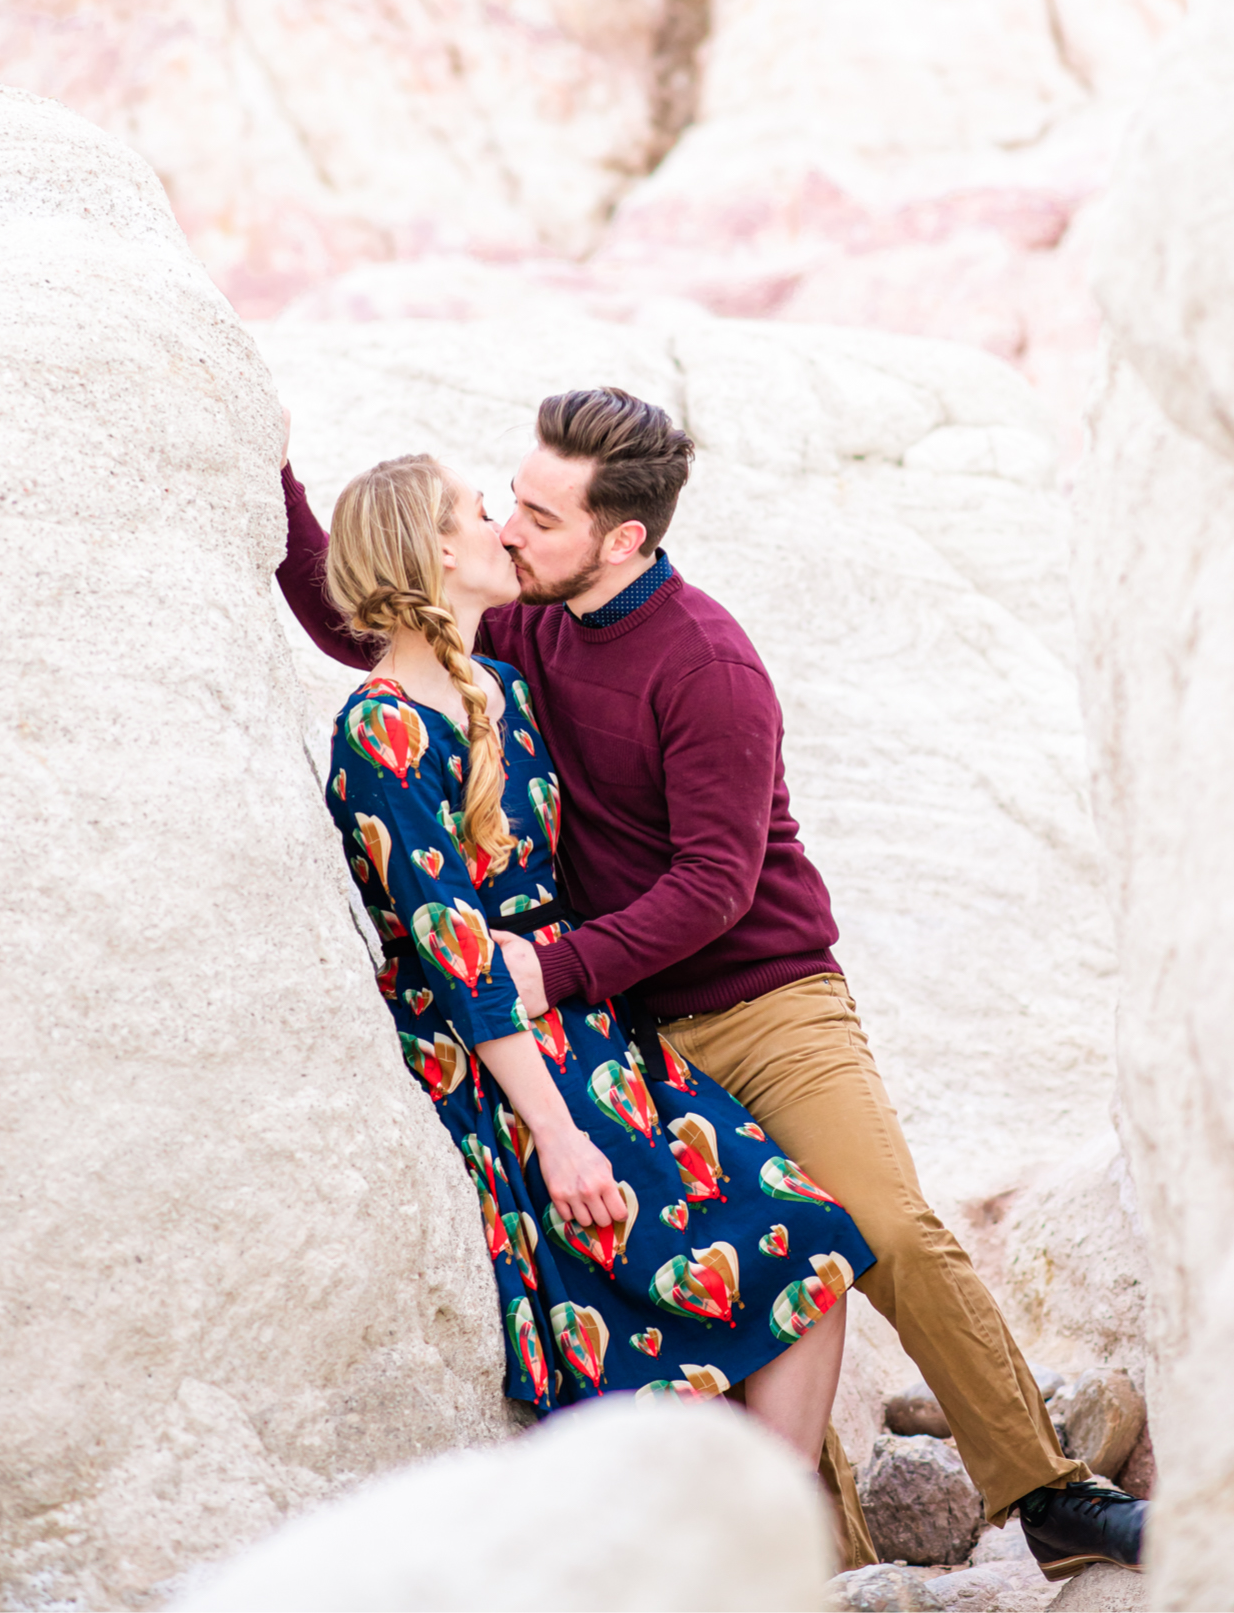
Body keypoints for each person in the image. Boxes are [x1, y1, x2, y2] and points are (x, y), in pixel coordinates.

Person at [279, 392, 1147, 1583]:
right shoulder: (521, 632)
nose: (515, 529)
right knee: (744, 1254)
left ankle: (1046, 1493)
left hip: (760, 1000)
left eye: (539, 514)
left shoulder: (705, 661)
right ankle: (816, 1554)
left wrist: (552, 968)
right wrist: (258, 460)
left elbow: (717, 887)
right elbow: (373, 615)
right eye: (507, 507)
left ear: (621, 537)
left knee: (879, 1229)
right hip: (610, 1025)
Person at [320, 450, 874, 1470]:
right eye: (485, 513)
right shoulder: (380, 733)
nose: (507, 530)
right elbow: (455, 963)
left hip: (592, 1024)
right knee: (654, 1314)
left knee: (810, 1239)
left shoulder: (503, 690)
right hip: (505, 1056)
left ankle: (773, 1535)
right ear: (439, 550)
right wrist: (559, 1135)